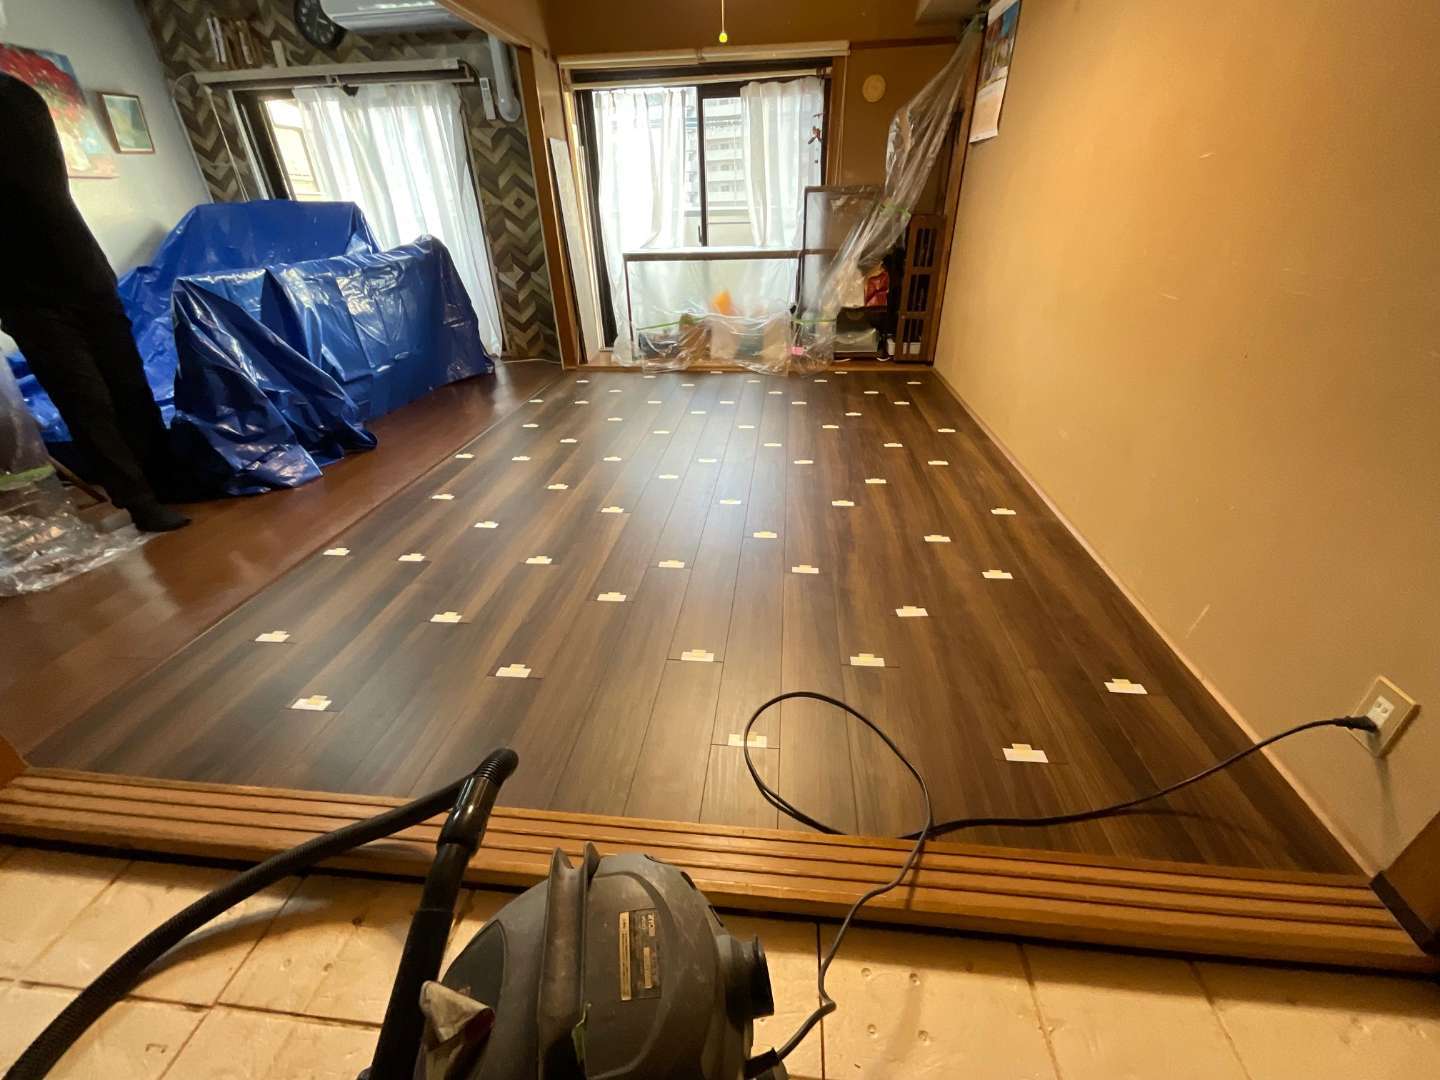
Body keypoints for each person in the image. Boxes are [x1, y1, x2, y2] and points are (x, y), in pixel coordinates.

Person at [0, 73, 189, 531]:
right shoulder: (18, 98)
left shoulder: (17, 99)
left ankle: (166, 478)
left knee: (129, 385)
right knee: (87, 402)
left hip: (84, 277)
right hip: (28, 297)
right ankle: (139, 501)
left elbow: (37, 187)